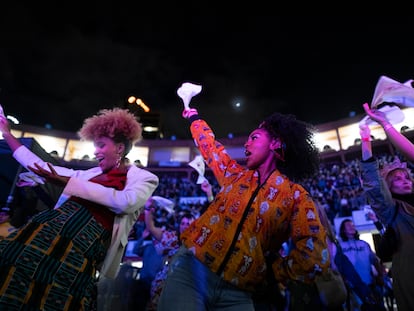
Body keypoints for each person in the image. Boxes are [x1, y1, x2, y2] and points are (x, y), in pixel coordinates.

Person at [157, 84, 329, 311]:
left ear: (275, 143)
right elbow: (210, 148)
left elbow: (314, 254)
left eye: (254, 138)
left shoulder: (297, 197)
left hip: (239, 293)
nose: (247, 143)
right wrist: (193, 117)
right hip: (191, 270)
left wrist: (270, 272)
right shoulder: (234, 175)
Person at [0, 107, 159, 310]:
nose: (95, 151)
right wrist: (7, 133)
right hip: (46, 231)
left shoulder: (145, 178)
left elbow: (125, 202)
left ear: (119, 148)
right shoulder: (86, 174)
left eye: (101, 145)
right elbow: (37, 164)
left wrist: (66, 181)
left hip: (80, 248)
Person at [359, 108, 414, 311]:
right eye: (397, 179)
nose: (405, 181)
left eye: (406, 177)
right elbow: (373, 184)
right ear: (388, 187)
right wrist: (366, 141)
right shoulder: (392, 210)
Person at [144, 197, 195, 311]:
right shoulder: (172, 238)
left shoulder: (199, 244)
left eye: (188, 223)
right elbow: (151, 228)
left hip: (186, 287)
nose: (185, 226)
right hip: (163, 285)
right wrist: (148, 208)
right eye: (183, 223)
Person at [338, 219, 385, 310]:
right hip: (352, 288)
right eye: (348, 225)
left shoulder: (364, 244)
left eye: (353, 225)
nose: (352, 227)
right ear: (343, 230)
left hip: (370, 285)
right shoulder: (340, 246)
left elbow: (375, 260)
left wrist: (380, 275)